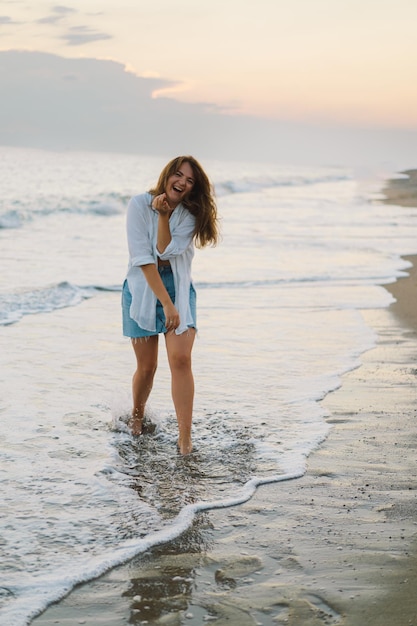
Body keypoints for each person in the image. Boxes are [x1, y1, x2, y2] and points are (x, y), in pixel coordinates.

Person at [122, 156, 219, 455]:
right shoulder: (138, 205)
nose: (182, 183)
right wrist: (165, 304)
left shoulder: (189, 214)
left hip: (178, 286)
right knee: (147, 366)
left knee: (180, 360)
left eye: (190, 181)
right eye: (179, 175)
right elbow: (144, 258)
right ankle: (137, 416)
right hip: (142, 286)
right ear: (167, 175)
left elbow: (166, 250)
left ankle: (185, 439)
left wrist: (163, 216)